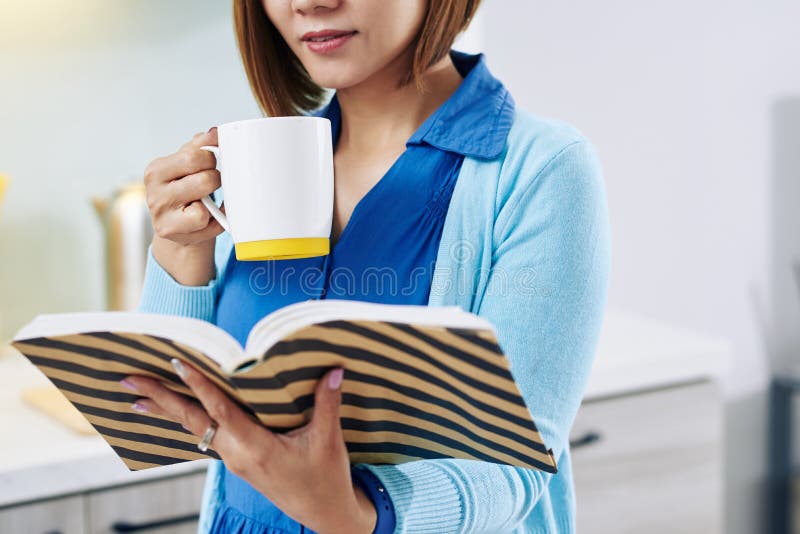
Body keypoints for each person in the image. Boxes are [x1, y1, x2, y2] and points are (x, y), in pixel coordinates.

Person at [124, 0, 611, 532]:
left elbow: (514, 466)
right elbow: (167, 419)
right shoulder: (260, 162)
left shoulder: (542, 169)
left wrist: (350, 512)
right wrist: (179, 251)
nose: (309, 3)